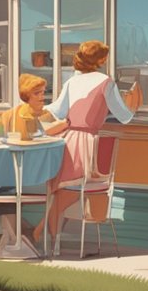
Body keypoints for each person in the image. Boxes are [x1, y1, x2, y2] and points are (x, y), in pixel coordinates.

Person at [33, 40, 142, 245]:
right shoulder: (105, 81)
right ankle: (44, 235)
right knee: (70, 191)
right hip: (86, 143)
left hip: (66, 139)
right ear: (100, 59)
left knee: (62, 191)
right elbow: (124, 116)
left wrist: (34, 109)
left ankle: (45, 235)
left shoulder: (72, 82)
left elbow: (55, 110)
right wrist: (135, 103)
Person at [1, 74, 68, 139]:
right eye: (36, 93)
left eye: (43, 93)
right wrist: (63, 125)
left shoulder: (42, 113)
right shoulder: (20, 114)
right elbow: (35, 136)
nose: (41, 97)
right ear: (26, 95)